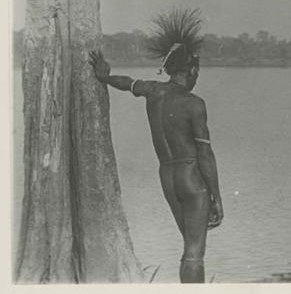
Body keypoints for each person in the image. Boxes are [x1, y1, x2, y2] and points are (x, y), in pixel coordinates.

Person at [88, 40, 223, 283]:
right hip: (190, 175)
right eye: (197, 72)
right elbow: (205, 155)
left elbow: (126, 83)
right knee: (195, 253)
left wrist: (104, 77)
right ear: (190, 70)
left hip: (168, 177)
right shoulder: (194, 103)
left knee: (189, 244)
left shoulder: (152, 91)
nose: (197, 77)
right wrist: (217, 197)